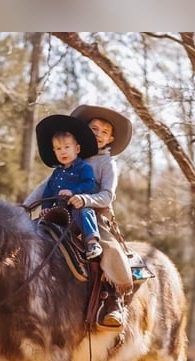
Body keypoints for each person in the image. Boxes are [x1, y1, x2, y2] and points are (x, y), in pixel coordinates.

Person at [69, 104, 134, 329]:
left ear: (110, 139)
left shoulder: (107, 164)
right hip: (66, 212)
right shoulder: (72, 157)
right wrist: (26, 205)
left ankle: (114, 300)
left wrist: (86, 200)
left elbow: (107, 196)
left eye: (104, 132)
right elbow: (46, 184)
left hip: (96, 215)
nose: (98, 134)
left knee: (107, 248)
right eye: (93, 129)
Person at [24, 114, 103, 259]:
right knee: (39, 225)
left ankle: (92, 241)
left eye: (67, 147)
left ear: (77, 149)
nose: (63, 151)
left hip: (76, 207)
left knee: (85, 211)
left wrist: (74, 192)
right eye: (58, 148)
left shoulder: (84, 167)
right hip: (58, 210)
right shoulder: (56, 173)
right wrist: (45, 208)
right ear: (54, 152)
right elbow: (47, 193)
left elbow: (89, 184)